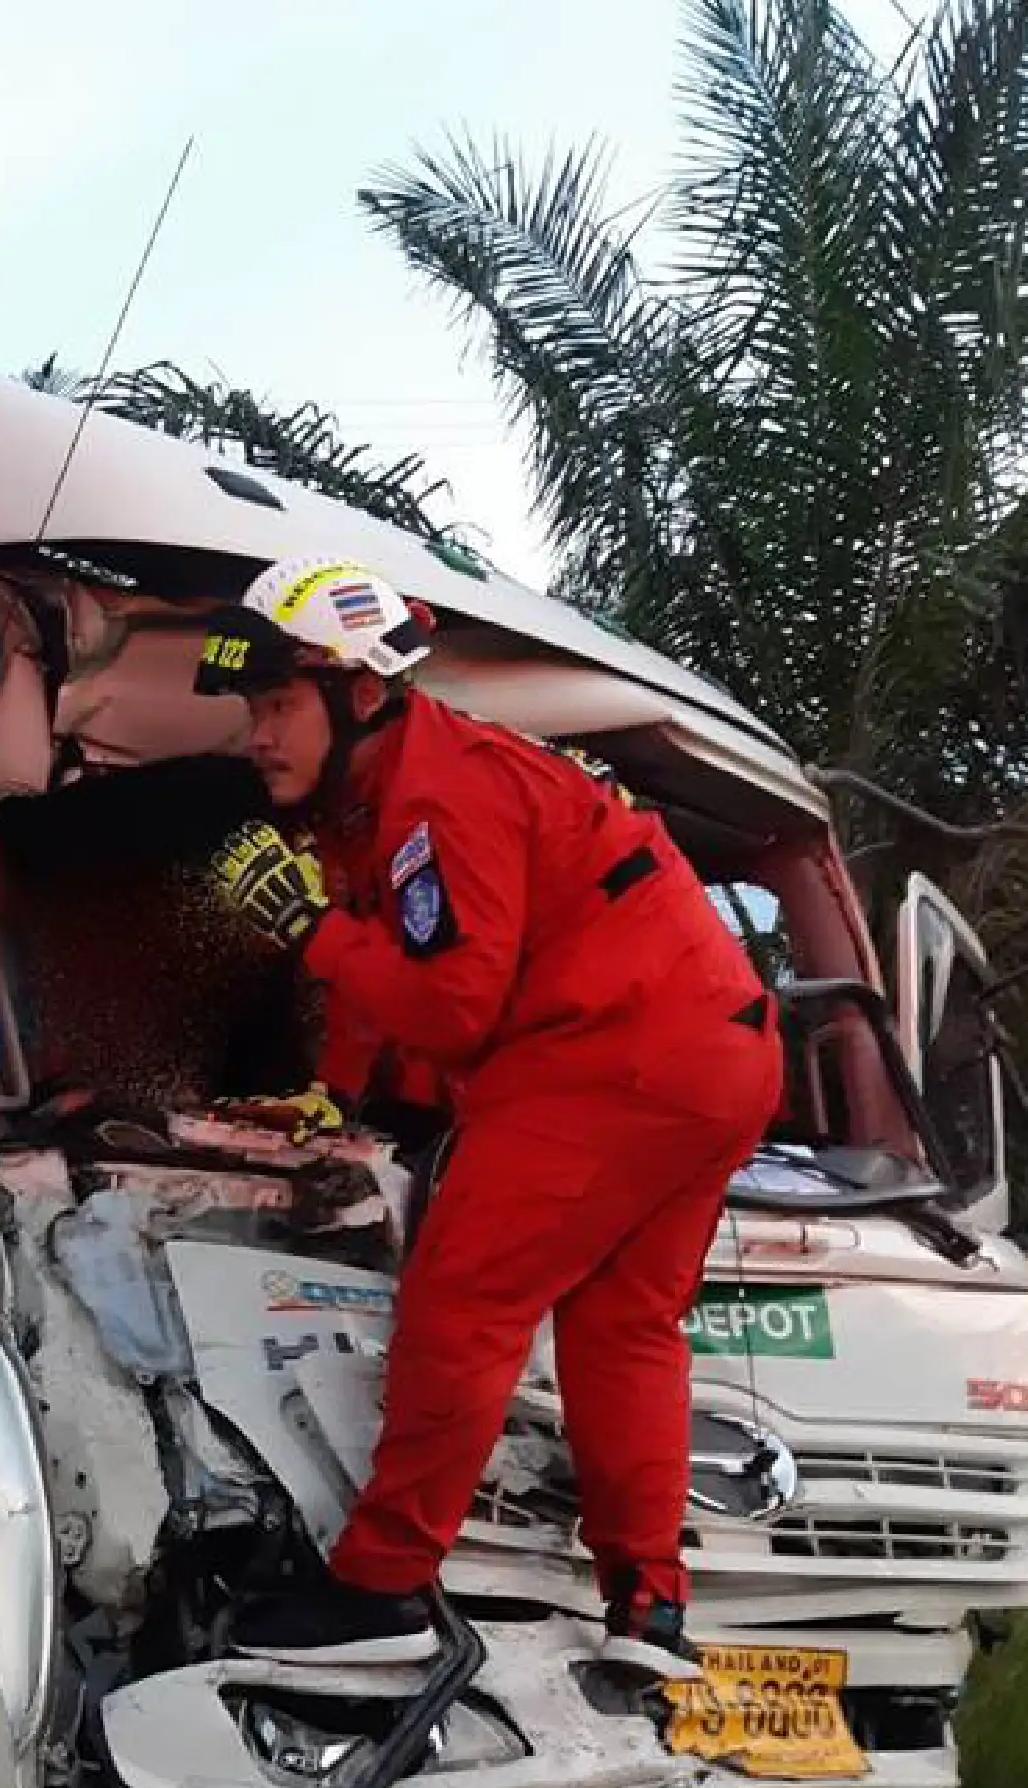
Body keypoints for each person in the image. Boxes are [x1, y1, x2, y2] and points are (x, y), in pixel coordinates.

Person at [195, 556, 784, 1679]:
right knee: (622, 1330)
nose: (254, 735)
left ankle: (380, 1591)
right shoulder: (388, 792)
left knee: (464, 1300)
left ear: (359, 693)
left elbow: (454, 1008)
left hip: (617, 1055)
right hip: (716, 1055)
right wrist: (336, 1099)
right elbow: (409, 973)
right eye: (251, 708)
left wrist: (306, 930)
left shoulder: (435, 792)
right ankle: (646, 1607)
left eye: (274, 704)